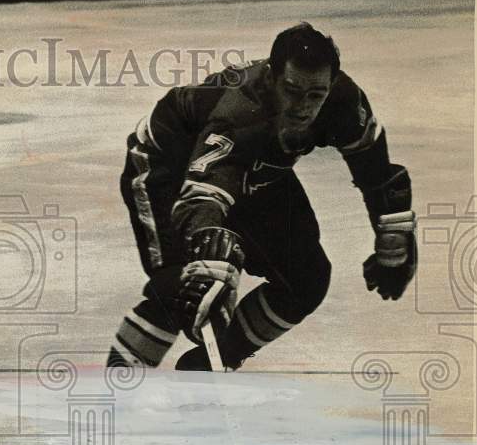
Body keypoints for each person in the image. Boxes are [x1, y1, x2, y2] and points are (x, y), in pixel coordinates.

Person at [107, 23, 417, 372]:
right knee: (182, 287)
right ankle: (120, 385)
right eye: (292, 91)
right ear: (271, 78)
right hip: (168, 163)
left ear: (331, 84)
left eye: (315, 95)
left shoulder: (344, 100)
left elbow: (375, 169)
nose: (303, 107)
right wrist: (206, 245)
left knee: (306, 279)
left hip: (256, 166)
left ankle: (208, 365)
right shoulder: (241, 114)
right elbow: (204, 192)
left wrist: (392, 229)